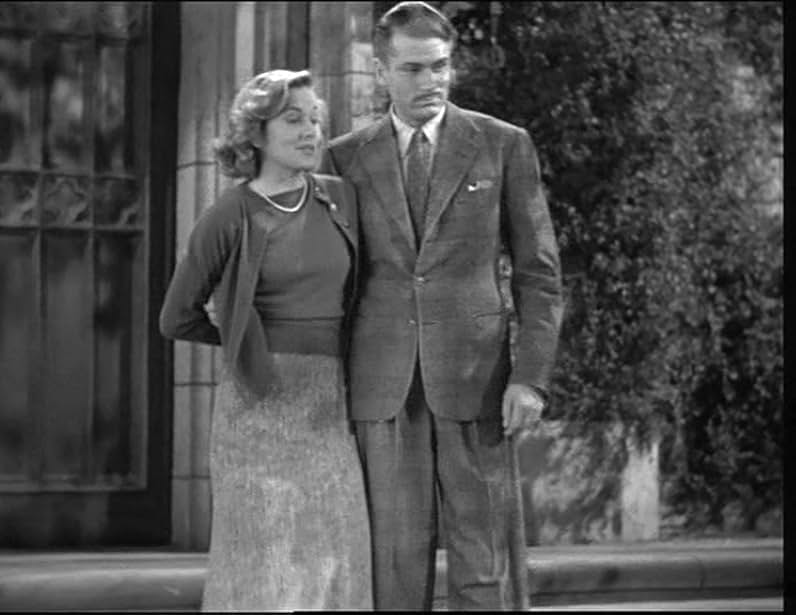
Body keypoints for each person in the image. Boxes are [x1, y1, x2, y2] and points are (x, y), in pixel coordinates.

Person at [325, 2, 564, 610]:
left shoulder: (502, 145)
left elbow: (539, 273)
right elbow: (333, 279)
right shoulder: (344, 158)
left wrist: (531, 379)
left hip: (478, 383)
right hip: (382, 387)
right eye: (411, 69)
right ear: (382, 72)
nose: (429, 81)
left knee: (482, 564)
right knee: (394, 572)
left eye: (440, 66)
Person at [159, 69, 372, 611]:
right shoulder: (229, 215)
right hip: (257, 413)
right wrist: (243, 337)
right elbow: (176, 317)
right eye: (293, 120)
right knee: (265, 570)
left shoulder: (339, 200)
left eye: (316, 120)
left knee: (336, 562)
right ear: (255, 134)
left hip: (330, 411)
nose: (311, 132)